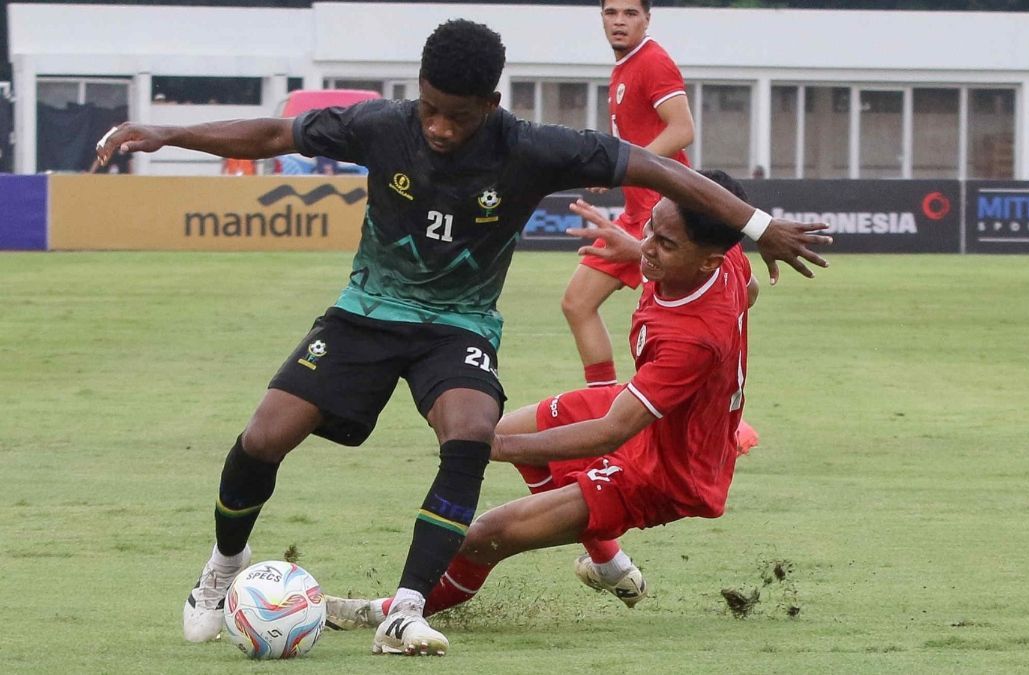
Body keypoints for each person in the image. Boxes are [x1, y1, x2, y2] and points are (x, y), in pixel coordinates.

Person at [94, 19, 830, 658]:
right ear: (418, 90)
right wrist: (166, 133)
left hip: (466, 329)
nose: (440, 128)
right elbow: (275, 132)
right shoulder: (383, 125)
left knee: (475, 438)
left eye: (459, 117)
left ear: (493, 107)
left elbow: (660, 164)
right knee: (263, 437)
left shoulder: (533, 149)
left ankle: (406, 608)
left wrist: (760, 226)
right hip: (368, 311)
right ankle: (225, 563)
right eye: (432, 110)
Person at [323, 170, 770, 628]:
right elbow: (748, 291)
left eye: (666, 244)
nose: (649, 244)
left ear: (710, 262)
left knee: (484, 535)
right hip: (650, 412)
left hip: (666, 469)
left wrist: (492, 451)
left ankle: (382, 612)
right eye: (651, 227)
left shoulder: (692, 340)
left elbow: (611, 432)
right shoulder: (725, 260)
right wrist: (642, 250)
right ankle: (610, 564)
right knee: (507, 429)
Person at [562, 0, 694, 391]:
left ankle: (709, 422)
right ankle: (603, 404)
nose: (619, 21)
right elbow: (638, 143)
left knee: (664, 331)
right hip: (636, 215)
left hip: (667, 217)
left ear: (647, 19)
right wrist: (617, 172)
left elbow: (682, 130)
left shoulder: (653, 61)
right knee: (577, 303)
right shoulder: (624, 67)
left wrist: (625, 166)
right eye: (611, 12)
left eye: (630, 13)